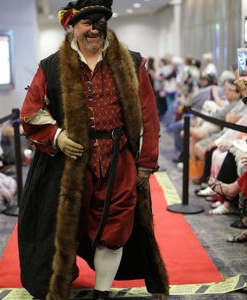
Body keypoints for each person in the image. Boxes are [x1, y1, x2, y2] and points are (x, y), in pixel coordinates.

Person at [18, 1, 168, 299]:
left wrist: (146, 163)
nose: (95, 28)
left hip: (118, 161)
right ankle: (59, 283)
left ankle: (102, 292)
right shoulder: (51, 66)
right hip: (69, 166)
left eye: (101, 22)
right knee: (66, 229)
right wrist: (57, 136)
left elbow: (149, 116)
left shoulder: (131, 62)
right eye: (88, 22)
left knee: (115, 230)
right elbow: (30, 111)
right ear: (72, 25)